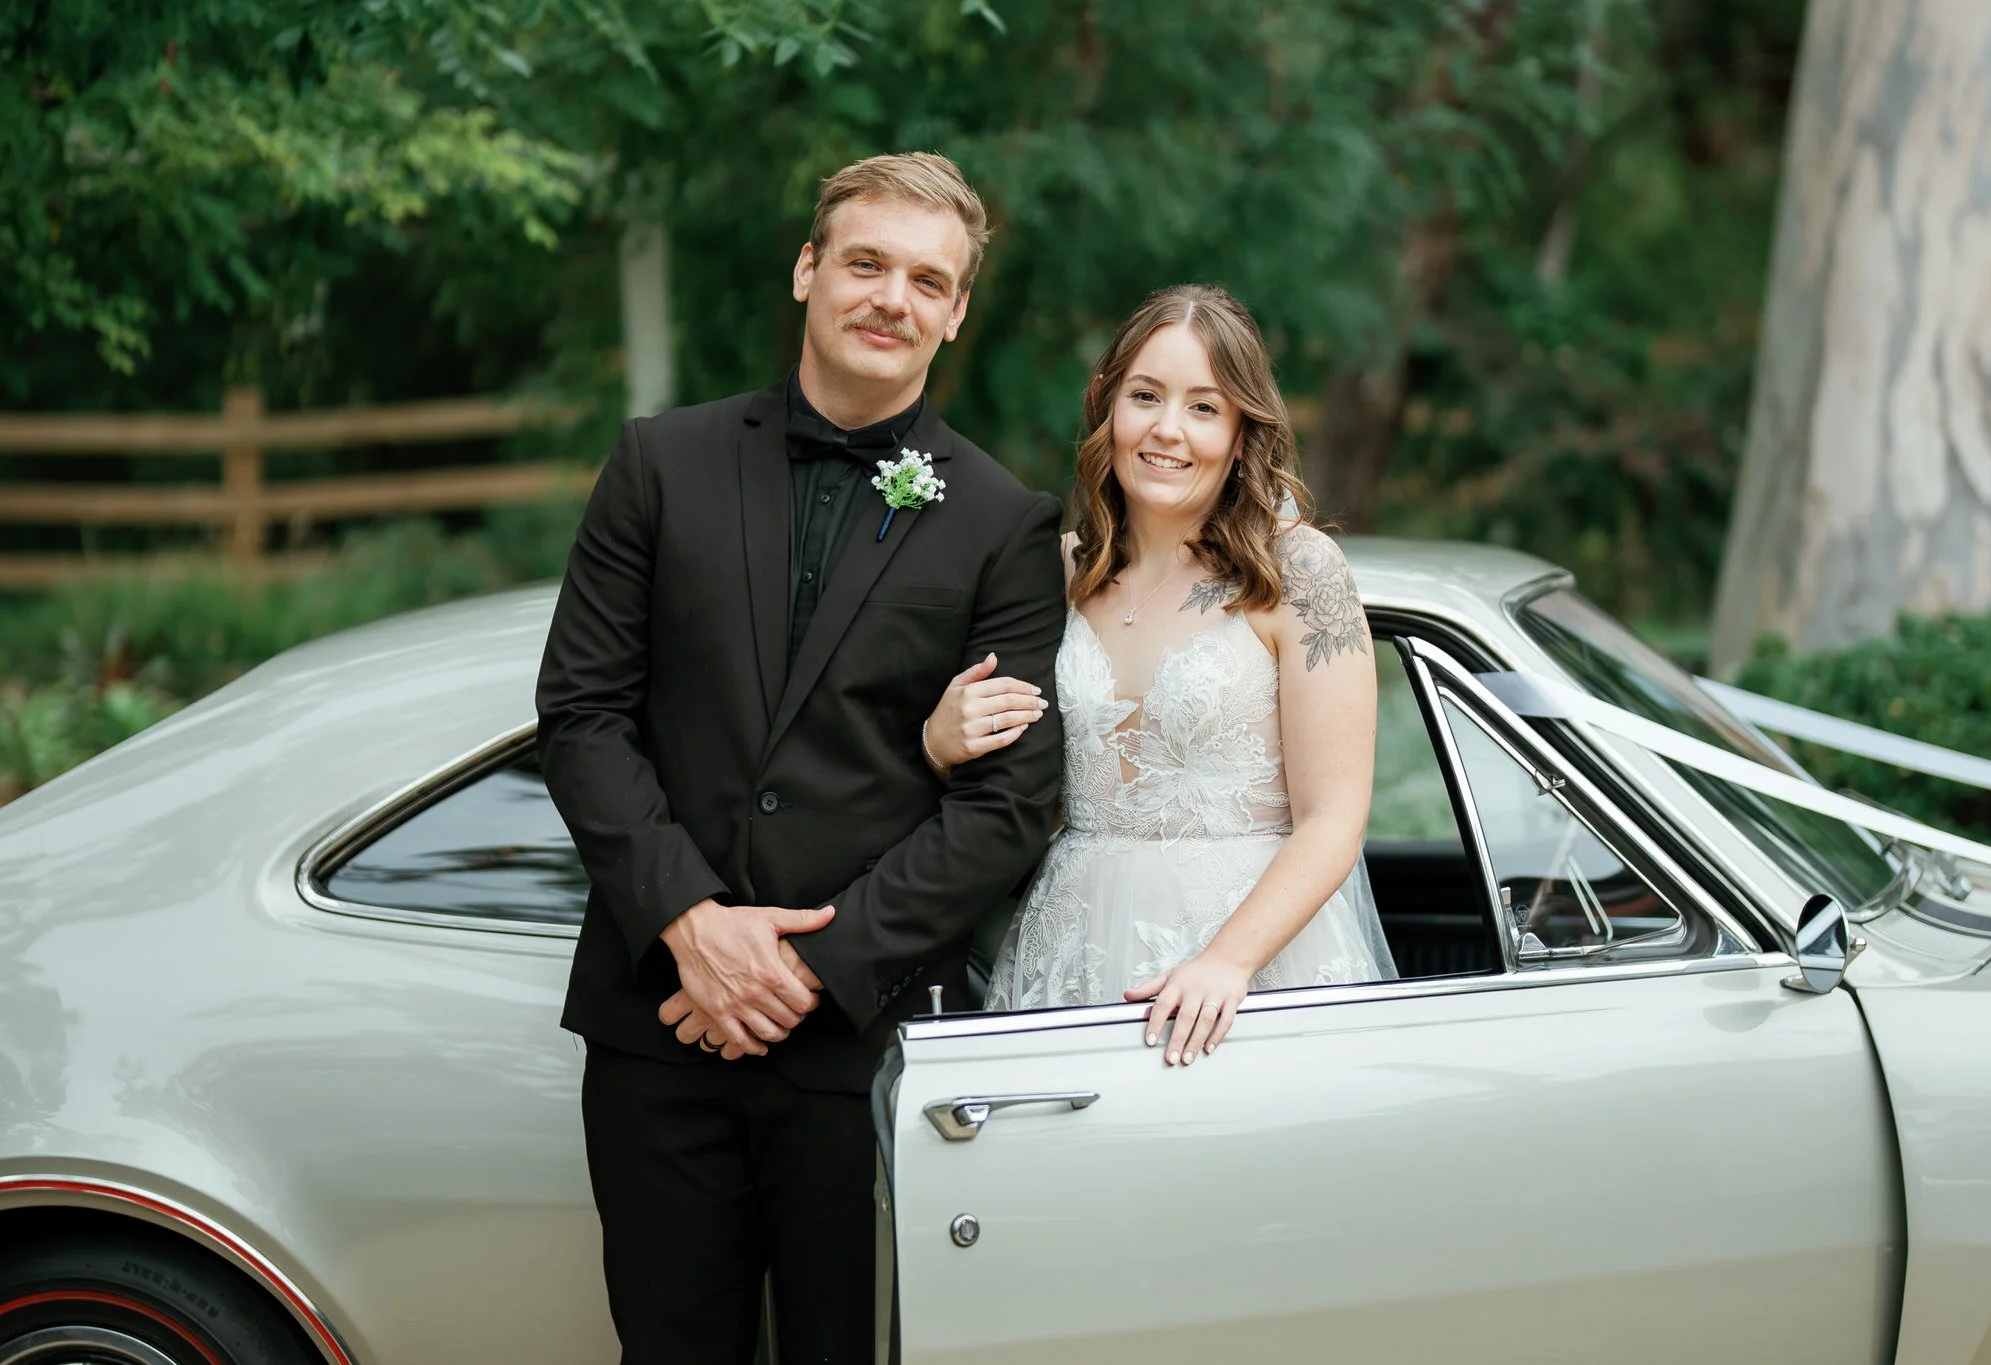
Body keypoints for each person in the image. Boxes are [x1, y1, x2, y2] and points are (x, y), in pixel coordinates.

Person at [536, 152, 1066, 1364]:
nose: (891, 298)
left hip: (860, 1048)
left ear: (955, 312)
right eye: (866, 263)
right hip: (653, 1027)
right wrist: (690, 922)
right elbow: (581, 716)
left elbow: (1008, 806)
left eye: (926, 280)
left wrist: (809, 968)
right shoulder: (657, 465)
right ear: (806, 270)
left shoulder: (1000, 523)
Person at [922, 283, 1395, 1067]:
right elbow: (1026, 797)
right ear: (1107, 403)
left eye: (1205, 407)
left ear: (1243, 428)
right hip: (1069, 952)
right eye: (1146, 396)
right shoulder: (1056, 571)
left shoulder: (1300, 569)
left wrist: (1228, 963)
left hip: (1250, 967)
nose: (1168, 430)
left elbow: (1333, 820)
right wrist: (942, 745)